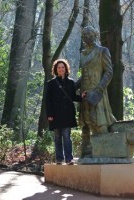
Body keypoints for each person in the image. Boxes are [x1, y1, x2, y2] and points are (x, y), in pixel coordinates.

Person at [78, 26, 117, 158]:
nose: (87, 36)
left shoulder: (102, 51)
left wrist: (99, 89)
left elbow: (109, 71)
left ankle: (106, 152)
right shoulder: (82, 54)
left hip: (98, 93)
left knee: (100, 122)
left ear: (95, 35)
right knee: (87, 122)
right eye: (84, 34)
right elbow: (83, 75)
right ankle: (92, 152)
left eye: (90, 34)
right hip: (85, 94)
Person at [46, 59, 85, 165]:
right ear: (55, 69)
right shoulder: (51, 83)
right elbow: (48, 100)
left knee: (67, 137)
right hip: (55, 114)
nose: (61, 69)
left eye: (62, 67)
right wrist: (49, 114)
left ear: (66, 68)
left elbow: (72, 97)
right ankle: (59, 158)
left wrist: (81, 97)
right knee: (57, 137)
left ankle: (69, 159)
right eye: (58, 67)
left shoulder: (71, 82)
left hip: (67, 114)